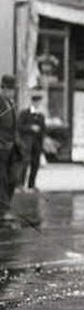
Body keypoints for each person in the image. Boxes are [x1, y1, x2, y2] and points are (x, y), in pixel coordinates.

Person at [0, 75, 21, 223]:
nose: (12, 92)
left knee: (13, 178)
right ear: (3, 88)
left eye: (14, 90)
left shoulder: (11, 103)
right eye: (10, 89)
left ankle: (5, 207)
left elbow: (14, 126)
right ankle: (3, 210)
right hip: (1, 147)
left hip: (12, 148)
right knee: (1, 179)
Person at [18, 89, 46, 191]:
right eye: (36, 102)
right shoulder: (24, 113)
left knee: (35, 163)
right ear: (32, 102)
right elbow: (19, 127)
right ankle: (20, 184)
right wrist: (31, 128)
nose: (37, 104)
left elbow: (43, 130)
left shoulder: (41, 116)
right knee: (25, 163)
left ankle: (32, 184)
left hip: (37, 143)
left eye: (39, 102)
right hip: (27, 142)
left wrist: (42, 145)